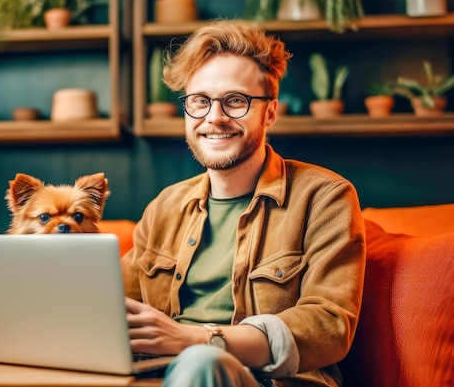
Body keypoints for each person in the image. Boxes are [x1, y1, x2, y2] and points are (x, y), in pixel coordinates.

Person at [121, 20, 366, 387]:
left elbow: (329, 325)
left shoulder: (325, 197)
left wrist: (196, 340)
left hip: (266, 381)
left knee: (202, 364)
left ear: (269, 112)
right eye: (200, 101)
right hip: (158, 377)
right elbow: (111, 304)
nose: (214, 117)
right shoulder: (165, 205)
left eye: (235, 101)